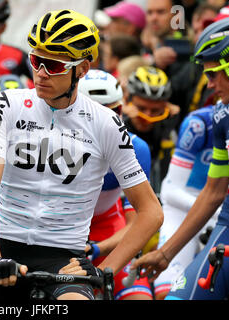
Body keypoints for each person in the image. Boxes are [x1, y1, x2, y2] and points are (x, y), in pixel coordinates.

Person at [0, 9, 163, 300]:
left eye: (54, 65)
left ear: (82, 69)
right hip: (3, 244)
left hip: (63, 255)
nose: (41, 73)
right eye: (36, 61)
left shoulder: (105, 123)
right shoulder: (7, 104)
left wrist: (104, 270)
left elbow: (151, 213)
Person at [132, 15, 229, 300]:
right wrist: (165, 253)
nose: (208, 84)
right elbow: (213, 192)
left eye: (212, 74)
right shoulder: (224, 115)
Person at [78, 69, 154, 300]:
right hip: (61, 234)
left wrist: (98, 248)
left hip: (108, 230)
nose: (111, 121)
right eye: (99, 113)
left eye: (115, 111)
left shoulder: (136, 148)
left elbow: (139, 221)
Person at [152, 102, 220, 300]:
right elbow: (170, 191)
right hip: (183, 210)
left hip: (227, 212)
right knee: (168, 292)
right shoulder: (199, 125)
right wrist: (217, 210)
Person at [122, 65, 180, 192]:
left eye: (155, 110)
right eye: (141, 108)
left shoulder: (171, 123)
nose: (147, 116)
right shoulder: (117, 121)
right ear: (128, 100)